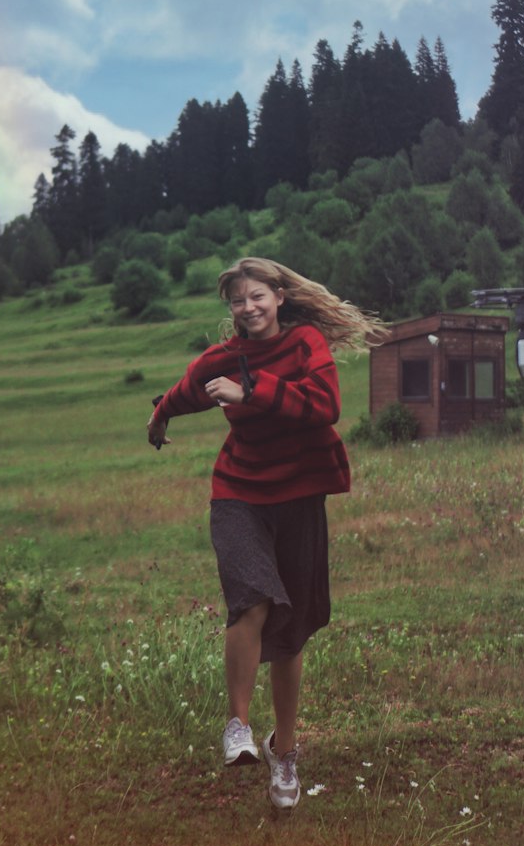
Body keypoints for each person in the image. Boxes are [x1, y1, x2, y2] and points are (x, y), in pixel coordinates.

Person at [147, 256, 382, 809]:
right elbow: (186, 390)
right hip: (240, 493)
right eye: (237, 300)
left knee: (291, 631)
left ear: (278, 296)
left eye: (257, 296)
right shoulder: (223, 359)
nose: (248, 307)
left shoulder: (304, 345)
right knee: (251, 600)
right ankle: (237, 728)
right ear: (230, 308)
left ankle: (287, 751)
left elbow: (325, 407)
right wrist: (159, 416)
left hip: (299, 497)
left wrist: (252, 392)